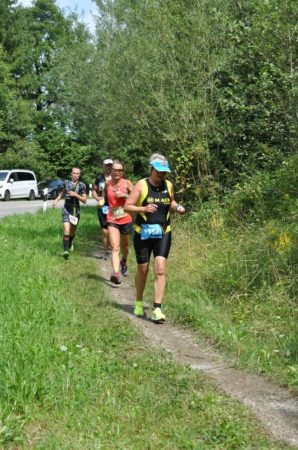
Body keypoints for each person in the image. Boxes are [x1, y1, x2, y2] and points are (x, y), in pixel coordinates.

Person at [124, 153, 185, 322]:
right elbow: (127, 206)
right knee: (143, 269)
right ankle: (138, 301)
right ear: (151, 169)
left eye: (164, 172)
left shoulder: (169, 185)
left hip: (163, 232)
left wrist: (178, 207)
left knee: (160, 267)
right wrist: (142, 209)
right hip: (143, 233)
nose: (161, 175)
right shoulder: (141, 185)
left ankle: (157, 308)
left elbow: (170, 202)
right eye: (158, 171)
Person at [99, 160, 133, 284]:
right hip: (112, 217)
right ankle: (116, 273)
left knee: (124, 247)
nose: (117, 172)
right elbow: (105, 197)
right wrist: (102, 201)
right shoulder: (108, 184)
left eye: (119, 170)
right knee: (115, 247)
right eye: (115, 170)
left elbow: (136, 199)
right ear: (111, 171)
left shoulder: (127, 183)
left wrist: (124, 196)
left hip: (126, 218)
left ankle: (124, 260)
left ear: (123, 172)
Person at [52, 167, 87, 259]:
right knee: (66, 230)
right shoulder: (66, 183)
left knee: (72, 231)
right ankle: (65, 251)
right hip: (66, 209)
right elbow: (62, 193)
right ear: (71, 174)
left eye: (77, 173)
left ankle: (70, 242)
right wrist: (56, 200)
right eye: (74, 173)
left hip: (76, 211)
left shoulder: (82, 185)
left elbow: (84, 200)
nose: (75, 175)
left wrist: (75, 195)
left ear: (79, 175)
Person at [92, 158, 113, 259]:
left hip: (114, 207)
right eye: (107, 165)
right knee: (105, 231)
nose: (109, 167)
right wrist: (97, 198)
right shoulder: (99, 178)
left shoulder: (116, 177)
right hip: (103, 207)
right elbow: (94, 191)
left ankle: (111, 248)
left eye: (110, 165)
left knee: (112, 230)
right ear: (104, 166)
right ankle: (106, 251)